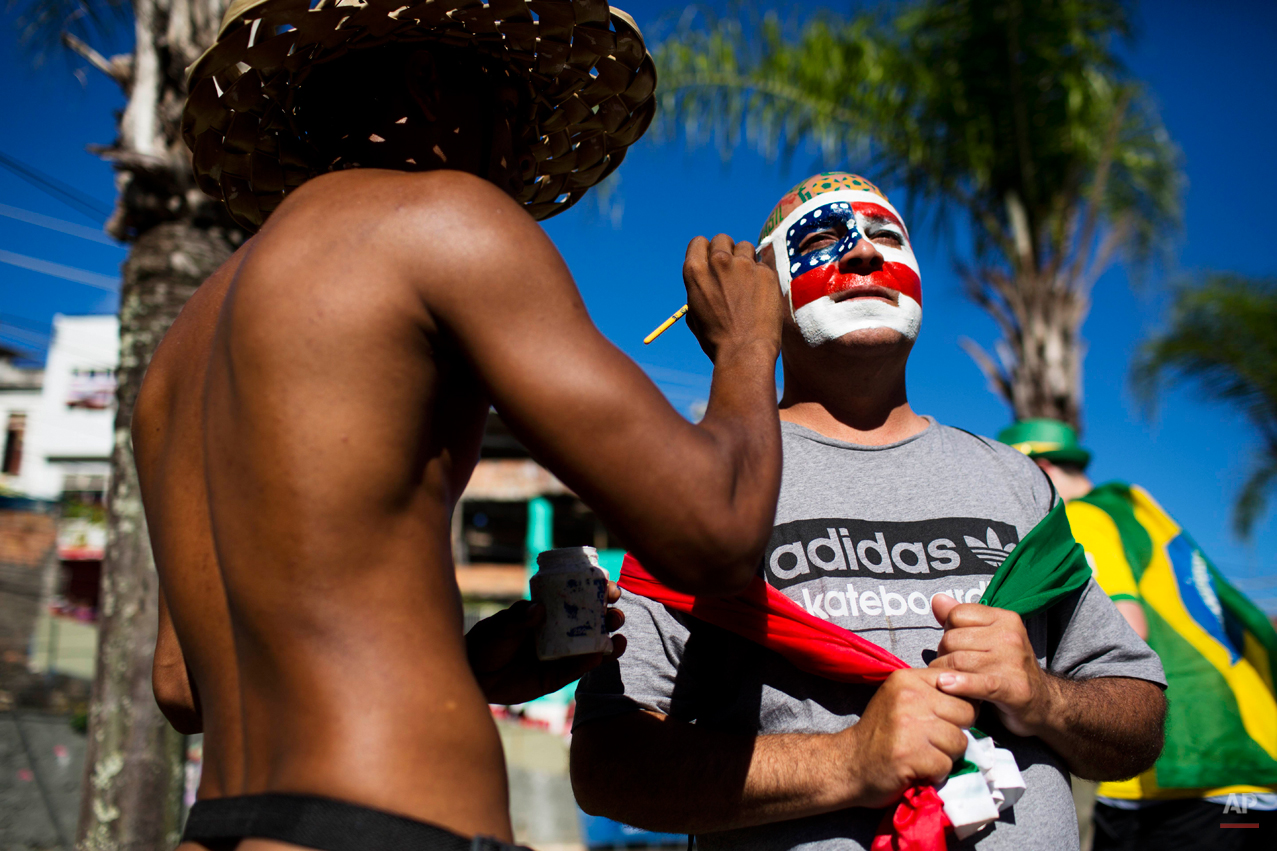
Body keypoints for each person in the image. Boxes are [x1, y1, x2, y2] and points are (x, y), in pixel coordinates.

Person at [134, 2, 789, 850]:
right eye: (510, 106)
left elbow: (185, 684)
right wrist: (745, 345)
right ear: (428, 80)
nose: (514, 150)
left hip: (222, 825)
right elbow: (718, 529)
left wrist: (465, 666)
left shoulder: (181, 346)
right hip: (387, 823)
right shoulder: (442, 220)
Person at [569, 172, 1169, 851]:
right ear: (762, 291)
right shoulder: (703, 481)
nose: (861, 253)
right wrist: (848, 762)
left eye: (885, 235)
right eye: (823, 239)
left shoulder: (1015, 481)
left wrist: (1041, 695)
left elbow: (1139, 722)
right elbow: (608, 765)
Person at [999, 418, 1277, 850]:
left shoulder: (1081, 518)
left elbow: (1125, 632)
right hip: (1239, 761)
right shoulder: (1139, 515)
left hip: (1187, 764)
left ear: (1043, 470)